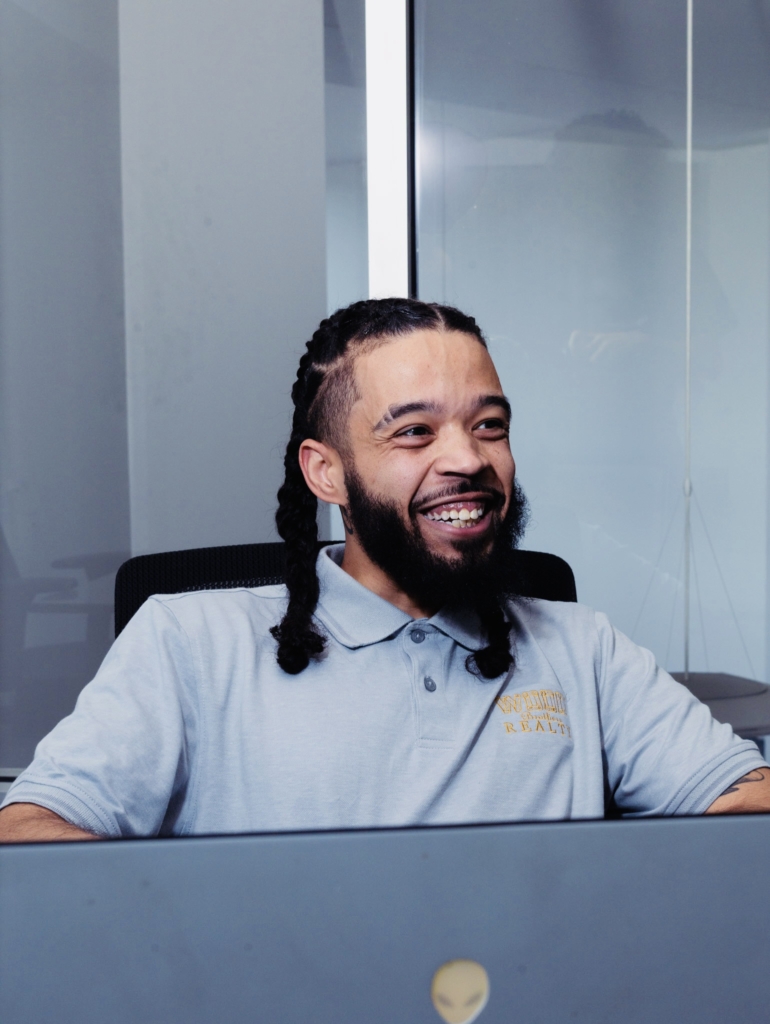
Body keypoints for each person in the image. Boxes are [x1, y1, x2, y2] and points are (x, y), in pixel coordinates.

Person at [1, 298, 768, 842]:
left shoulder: (584, 649)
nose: (468, 458)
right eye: (414, 432)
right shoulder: (187, 641)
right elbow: (31, 828)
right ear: (327, 474)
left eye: (489, 426)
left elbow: (743, 797)